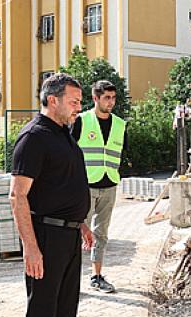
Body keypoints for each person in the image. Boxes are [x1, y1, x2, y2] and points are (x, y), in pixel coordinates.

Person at [10, 73, 97, 317]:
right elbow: (18, 196)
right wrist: (30, 247)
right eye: (74, 101)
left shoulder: (63, 133)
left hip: (68, 233)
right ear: (52, 100)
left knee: (65, 306)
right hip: (44, 236)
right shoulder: (33, 138)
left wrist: (82, 224)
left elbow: (64, 184)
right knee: (42, 311)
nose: (79, 108)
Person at [71, 80, 127, 294]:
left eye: (113, 98)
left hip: (109, 184)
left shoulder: (120, 125)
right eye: (107, 98)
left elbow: (121, 152)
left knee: (101, 234)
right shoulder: (81, 121)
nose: (111, 102)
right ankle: (72, 280)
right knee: (76, 233)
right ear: (95, 98)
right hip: (84, 187)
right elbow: (69, 151)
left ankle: (96, 276)